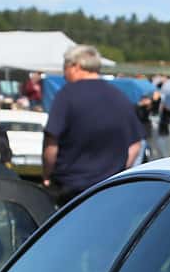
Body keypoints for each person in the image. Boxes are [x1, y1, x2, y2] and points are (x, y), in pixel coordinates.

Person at [43, 45, 143, 206]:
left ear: (75, 66)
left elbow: (51, 143)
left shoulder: (66, 96)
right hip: (108, 190)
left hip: (70, 190)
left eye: (65, 67)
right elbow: (135, 145)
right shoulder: (119, 97)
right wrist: (116, 172)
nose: (64, 73)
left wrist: (47, 175)